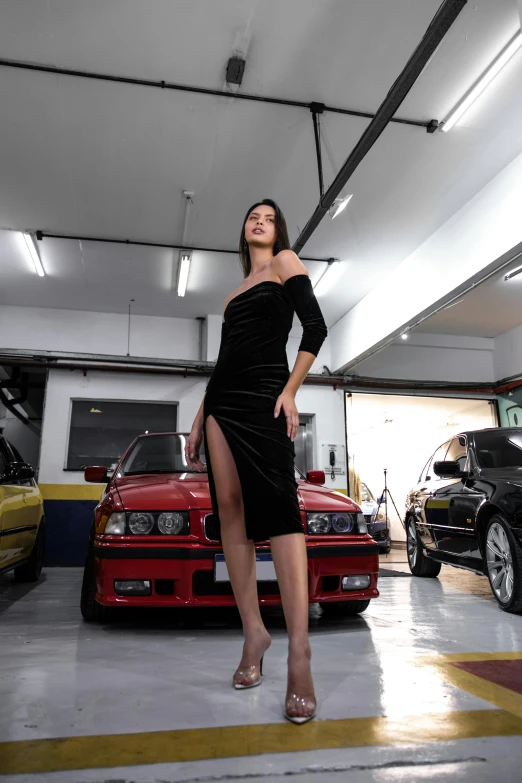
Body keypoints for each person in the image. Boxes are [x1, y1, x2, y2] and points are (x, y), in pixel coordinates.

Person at [185, 199, 327, 724]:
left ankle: (299, 653)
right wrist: (201, 415)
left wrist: (291, 392)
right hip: (223, 402)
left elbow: (315, 329)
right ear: (243, 232)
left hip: (267, 395)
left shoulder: (286, 262)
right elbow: (225, 361)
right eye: (252, 215)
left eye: (268, 215)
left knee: (281, 512)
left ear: (277, 229)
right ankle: (254, 634)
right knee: (230, 510)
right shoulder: (232, 295)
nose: (260, 220)